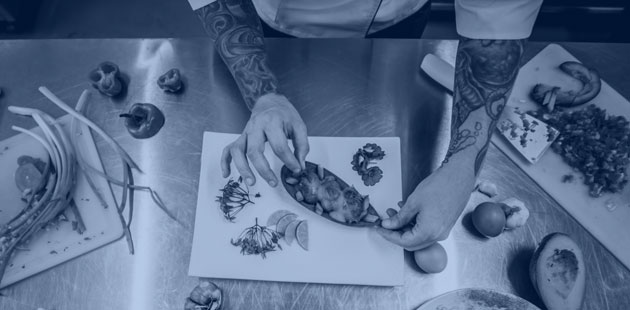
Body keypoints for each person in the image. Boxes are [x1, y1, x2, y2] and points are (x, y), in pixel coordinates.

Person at [190, 0, 543, 253]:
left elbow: (496, 26)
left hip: (397, 18)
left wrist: (464, 167)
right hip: (279, 20)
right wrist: (264, 96)